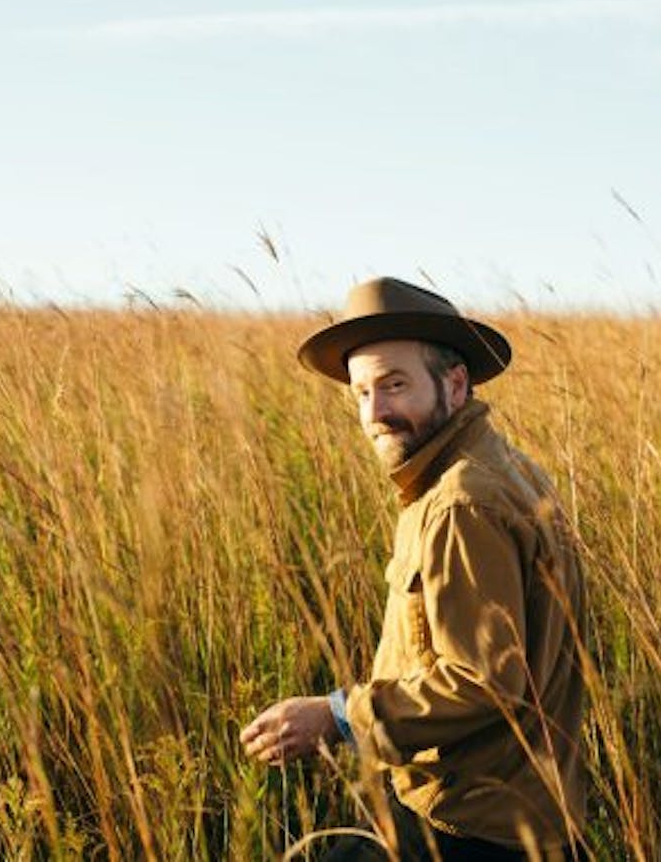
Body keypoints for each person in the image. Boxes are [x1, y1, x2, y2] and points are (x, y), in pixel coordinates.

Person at [240, 277, 588, 860]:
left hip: (473, 827)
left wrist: (335, 716)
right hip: (509, 812)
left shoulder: (462, 502)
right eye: (361, 393)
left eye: (395, 385)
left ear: (454, 386)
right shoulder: (494, 469)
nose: (375, 413)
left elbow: (482, 682)